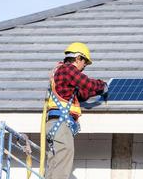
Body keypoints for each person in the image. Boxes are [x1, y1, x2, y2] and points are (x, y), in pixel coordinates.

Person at [45, 42, 107, 179]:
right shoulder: (67, 69)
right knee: (63, 159)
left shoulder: (62, 73)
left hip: (56, 124)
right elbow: (87, 83)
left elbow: (82, 93)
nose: (84, 67)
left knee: (55, 162)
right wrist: (102, 86)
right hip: (60, 124)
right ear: (78, 58)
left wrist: (94, 92)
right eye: (84, 62)